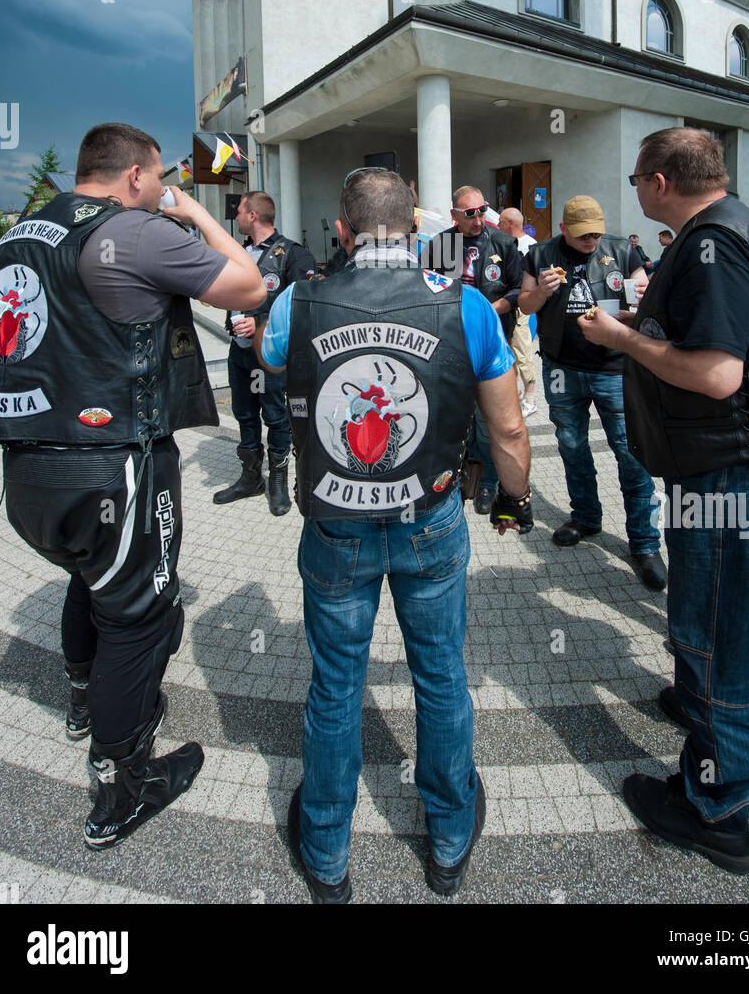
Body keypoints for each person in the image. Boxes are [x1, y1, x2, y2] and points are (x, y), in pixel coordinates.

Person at [0, 123, 268, 849]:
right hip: (113, 463)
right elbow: (250, 284)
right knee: (140, 619)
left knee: (89, 581)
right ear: (136, 177)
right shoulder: (130, 232)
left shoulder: (20, 233)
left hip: (28, 467)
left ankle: (83, 700)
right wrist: (196, 214)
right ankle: (121, 788)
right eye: (156, 178)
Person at [255, 168, 532, 902]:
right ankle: (445, 841)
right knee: (440, 678)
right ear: (414, 231)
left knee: (335, 686)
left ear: (341, 233)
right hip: (429, 520)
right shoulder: (466, 304)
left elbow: (271, 359)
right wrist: (514, 497)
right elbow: (506, 424)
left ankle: (326, 852)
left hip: (336, 524)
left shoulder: (296, 299)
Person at [580, 128, 749, 872]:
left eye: (635, 177)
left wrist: (620, 340)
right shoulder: (739, 229)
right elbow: (726, 338)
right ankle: (729, 701)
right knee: (741, 602)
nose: (632, 188)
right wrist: (640, 327)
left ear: (661, 180)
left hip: (734, 468)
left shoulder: (709, 244)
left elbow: (718, 375)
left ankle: (716, 805)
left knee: (723, 620)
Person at [519, 195, 665, 590]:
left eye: (596, 233)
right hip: (562, 365)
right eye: (582, 235)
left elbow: (646, 298)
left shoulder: (623, 249)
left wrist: (637, 304)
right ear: (564, 229)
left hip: (614, 367)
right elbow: (525, 305)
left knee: (630, 451)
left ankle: (645, 544)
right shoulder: (541, 254)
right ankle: (585, 516)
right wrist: (542, 293)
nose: (591, 240)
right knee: (571, 445)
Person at [422, 185, 524, 514]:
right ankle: (457, 475)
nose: (478, 218)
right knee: (452, 412)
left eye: (482, 210)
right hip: (451, 343)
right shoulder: (440, 245)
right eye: (470, 214)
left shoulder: (504, 243)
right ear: (454, 216)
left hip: (491, 341)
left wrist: (489, 311)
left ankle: (490, 483)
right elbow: (425, 291)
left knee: (488, 420)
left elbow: (519, 289)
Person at [213, 192, 316, 514]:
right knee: (243, 413)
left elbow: (303, 307)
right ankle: (251, 477)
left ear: (253, 216)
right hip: (239, 353)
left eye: (240, 211)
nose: (236, 217)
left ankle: (278, 481)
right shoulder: (238, 251)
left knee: (275, 417)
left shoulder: (293, 255)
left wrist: (257, 321)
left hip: (269, 357)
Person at [499, 206, 538, 416]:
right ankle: (514, 394)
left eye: (501, 223)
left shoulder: (531, 247)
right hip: (505, 303)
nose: (498, 226)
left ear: (510, 224)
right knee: (508, 349)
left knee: (522, 349)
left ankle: (530, 399)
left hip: (521, 306)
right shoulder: (502, 244)